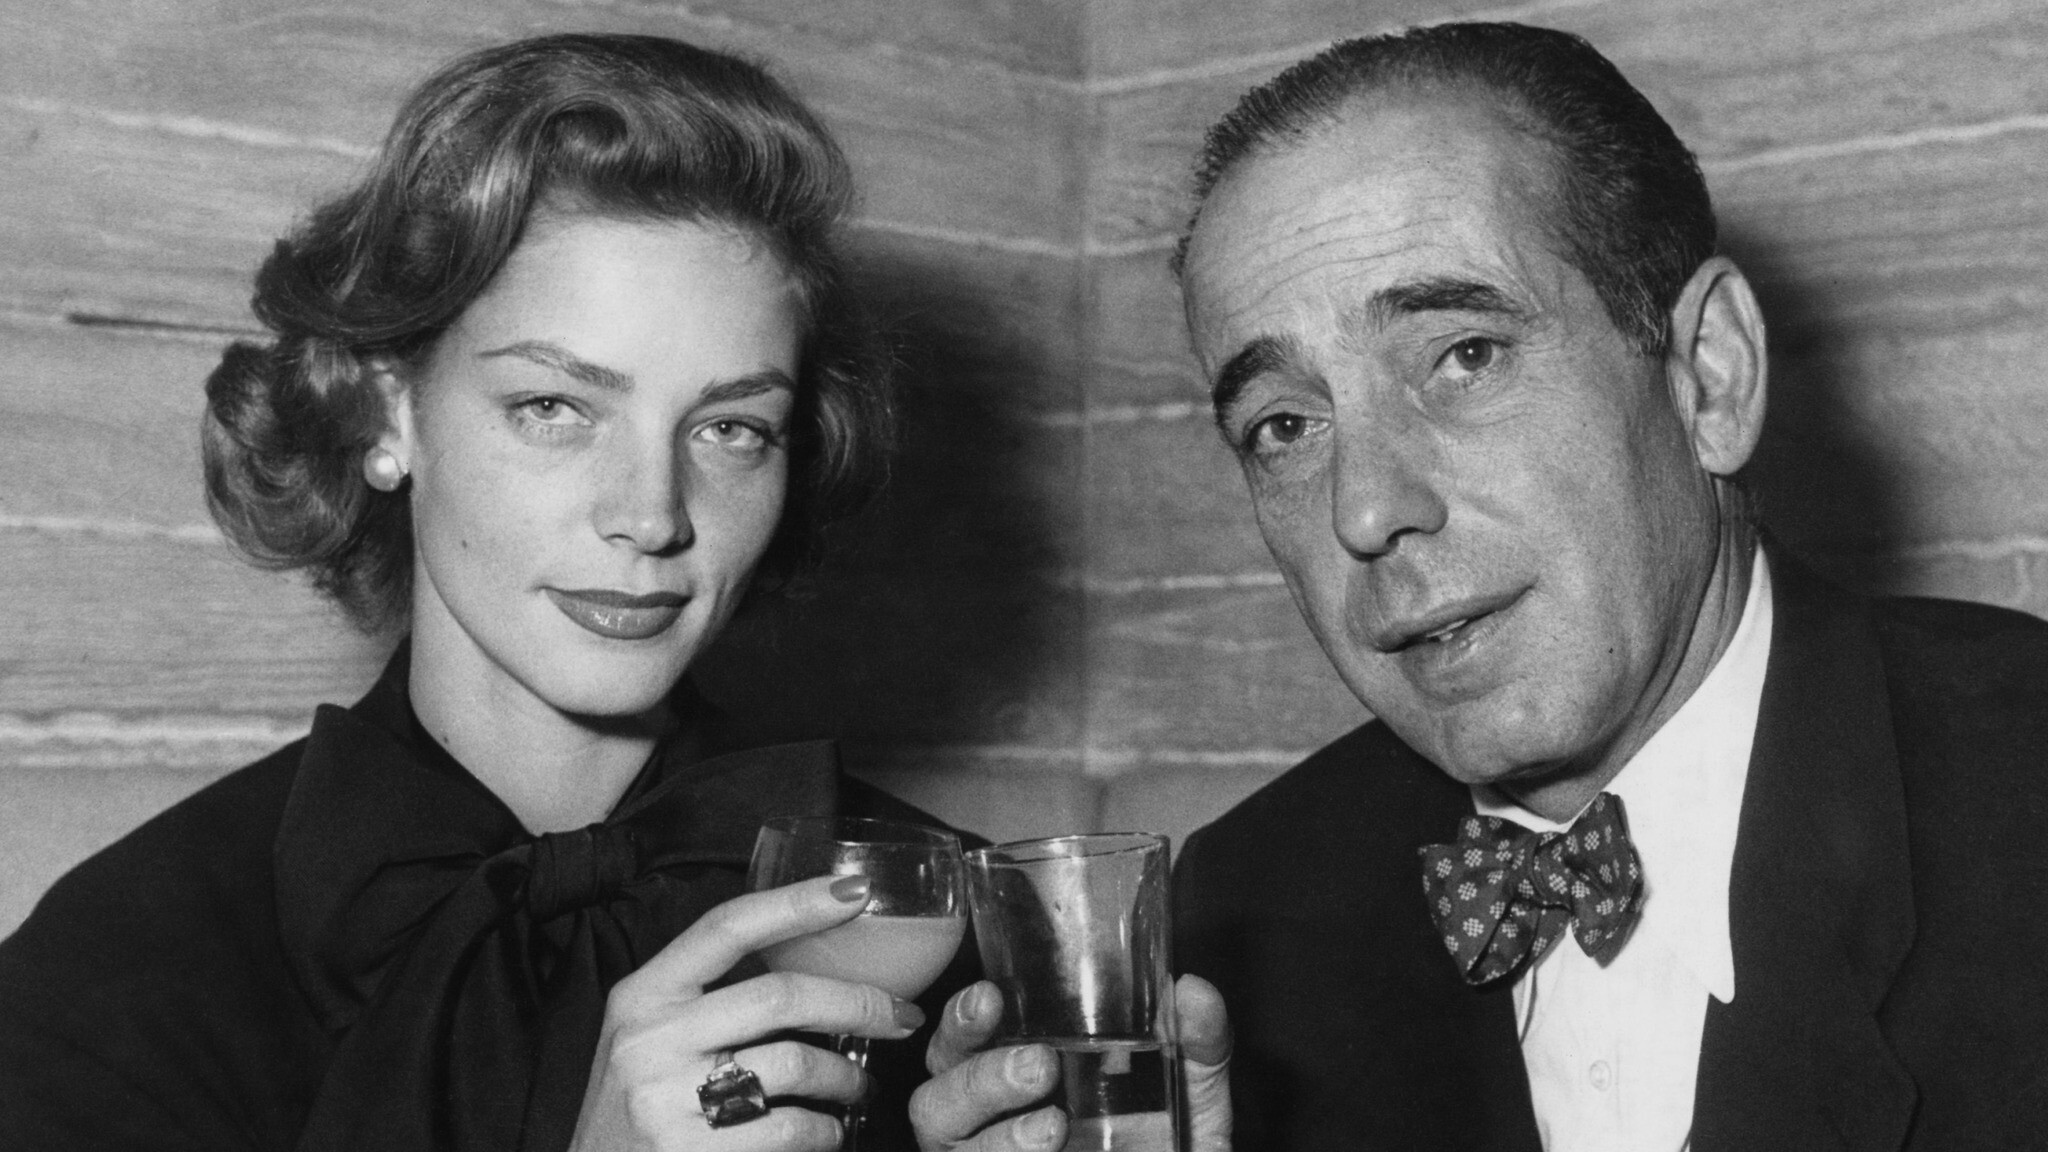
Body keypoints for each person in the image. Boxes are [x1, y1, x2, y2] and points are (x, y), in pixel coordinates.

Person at [0, 33, 982, 1152]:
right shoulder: (114, 979)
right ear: (387, 413)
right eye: (553, 408)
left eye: (730, 428)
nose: (652, 514)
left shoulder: (944, 929)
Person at [1155, 20, 2048, 1152]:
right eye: (1283, 426)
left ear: (1708, 376)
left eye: (1464, 355)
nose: (1365, 511)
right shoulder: (1247, 912)